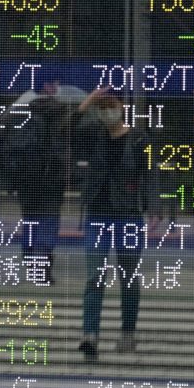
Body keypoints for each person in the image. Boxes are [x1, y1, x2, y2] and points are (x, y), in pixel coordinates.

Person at [75, 88, 161, 362]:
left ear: (123, 107)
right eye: (103, 107)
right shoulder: (94, 136)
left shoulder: (139, 139)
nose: (107, 111)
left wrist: (153, 208)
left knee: (129, 276)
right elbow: (69, 129)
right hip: (97, 213)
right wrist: (88, 101)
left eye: (111, 105)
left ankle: (127, 332)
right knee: (95, 275)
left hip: (127, 214)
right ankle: (90, 334)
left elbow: (150, 174)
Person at [0, 94, 68, 282]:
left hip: (24, 181)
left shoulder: (18, 118)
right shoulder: (57, 119)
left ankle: (31, 259)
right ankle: (40, 258)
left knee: (30, 219)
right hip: (51, 181)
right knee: (48, 220)